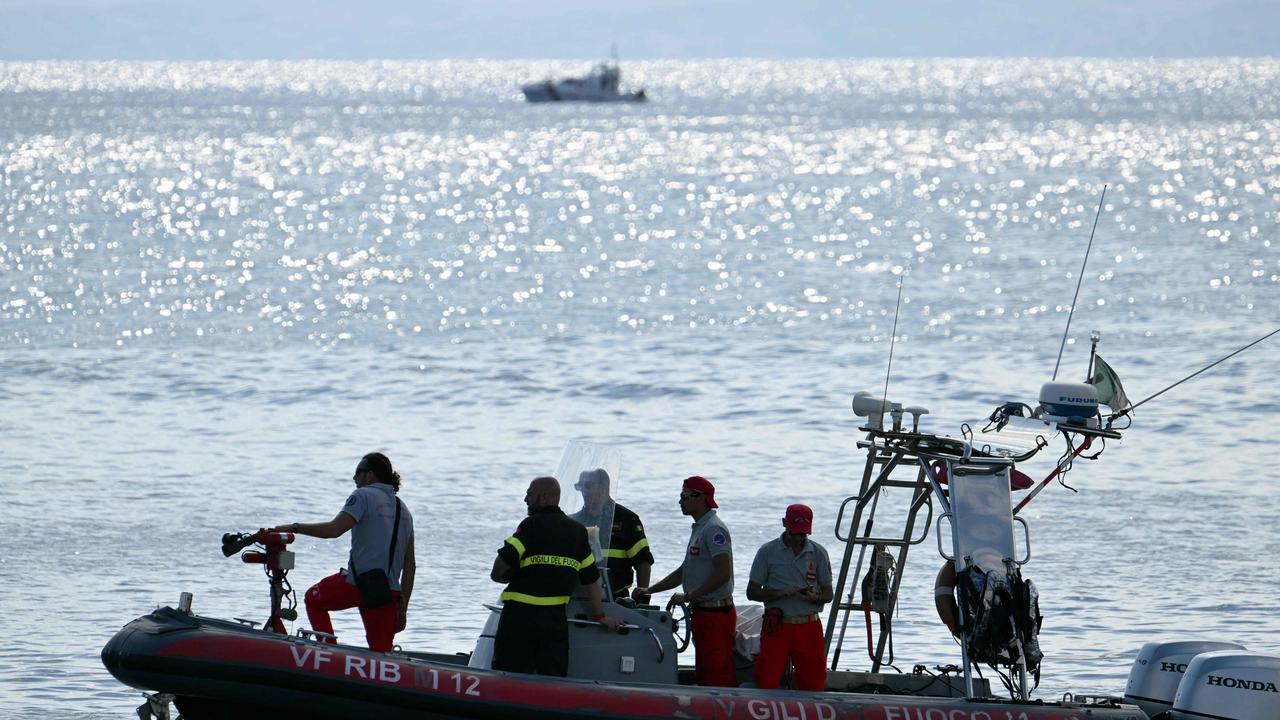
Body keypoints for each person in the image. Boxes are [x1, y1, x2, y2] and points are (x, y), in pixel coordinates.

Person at [272, 452, 415, 653]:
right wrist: (403, 605)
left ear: (370, 475)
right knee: (382, 654)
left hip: (357, 584)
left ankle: (328, 653)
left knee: (313, 599)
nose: (354, 478)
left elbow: (333, 530)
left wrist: (294, 527)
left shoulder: (362, 495)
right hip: (387, 593)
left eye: (358, 472)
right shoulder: (404, 510)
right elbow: (410, 566)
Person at [490, 476, 621, 676]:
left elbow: (499, 569)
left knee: (507, 675)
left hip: (518, 618)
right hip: (554, 621)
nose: (526, 499)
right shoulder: (577, 532)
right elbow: (591, 580)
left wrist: (506, 577)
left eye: (529, 494)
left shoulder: (530, 526)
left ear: (543, 498)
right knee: (552, 676)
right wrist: (600, 616)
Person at [637, 475, 737, 687]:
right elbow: (685, 571)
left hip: (716, 616)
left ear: (700, 498)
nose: (680, 501)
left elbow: (723, 574)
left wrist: (688, 596)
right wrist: (650, 590)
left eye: (684, 496)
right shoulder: (700, 529)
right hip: (702, 614)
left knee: (717, 673)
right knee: (704, 671)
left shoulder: (713, 530)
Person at [745, 503, 833, 691]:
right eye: (795, 533)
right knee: (767, 679)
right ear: (784, 524)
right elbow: (751, 592)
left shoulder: (818, 553)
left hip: (809, 627)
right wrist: (780, 593)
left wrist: (815, 598)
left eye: (803, 534)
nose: (799, 539)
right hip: (777, 626)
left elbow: (828, 594)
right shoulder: (767, 552)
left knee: (813, 682)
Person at [569, 468, 655, 603]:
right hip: (579, 596)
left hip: (617, 599)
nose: (583, 491)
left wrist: (642, 596)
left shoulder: (627, 519)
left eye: (588, 486)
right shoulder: (574, 521)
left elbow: (642, 562)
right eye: (580, 486)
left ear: (604, 487)